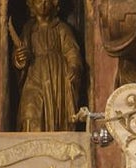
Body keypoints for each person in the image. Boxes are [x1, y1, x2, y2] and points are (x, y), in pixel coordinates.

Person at [12, 0, 83, 132]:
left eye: (47, 0)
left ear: (54, 4)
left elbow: (72, 52)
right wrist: (20, 58)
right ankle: (29, 148)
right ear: (31, 4)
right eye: (39, 1)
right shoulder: (29, 29)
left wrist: (74, 67)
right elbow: (19, 56)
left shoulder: (62, 28)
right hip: (34, 74)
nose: (43, 4)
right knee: (30, 112)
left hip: (56, 78)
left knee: (56, 114)